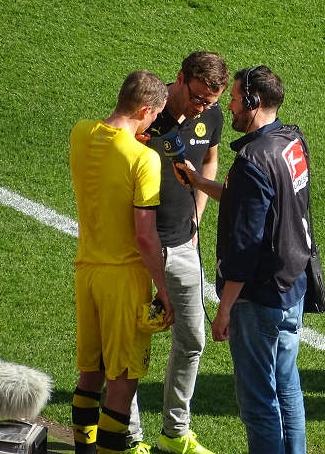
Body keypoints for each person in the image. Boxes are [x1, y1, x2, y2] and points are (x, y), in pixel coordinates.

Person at [175, 66, 311, 454]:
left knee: (258, 402)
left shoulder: (253, 159)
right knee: (286, 388)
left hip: (259, 297)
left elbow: (246, 245)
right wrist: (199, 182)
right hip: (292, 289)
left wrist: (225, 310)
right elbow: (254, 200)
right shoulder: (291, 141)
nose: (230, 107)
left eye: (235, 99)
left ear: (254, 101)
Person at [127, 52, 230, 454]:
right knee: (130, 342)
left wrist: (197, 218)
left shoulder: (212, 115)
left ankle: (174, 433)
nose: (201, 107)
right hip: (138, 248)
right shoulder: (146, 114)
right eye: (197, 97)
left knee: (192, 340)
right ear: (180, 78)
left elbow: (211, 159)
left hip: (184, 244)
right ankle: (127, 436)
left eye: (210, 101)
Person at [69, 70, 175, 454]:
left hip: (87, 271)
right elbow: (145, 237)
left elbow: (109, 149)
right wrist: (164, 290)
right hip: (124, 279)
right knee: (122, 381)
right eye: (155, 115)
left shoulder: (81, 132)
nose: (154, 122)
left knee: (90, 374)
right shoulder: (144, 159)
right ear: (145, 110)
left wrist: (130, 140)